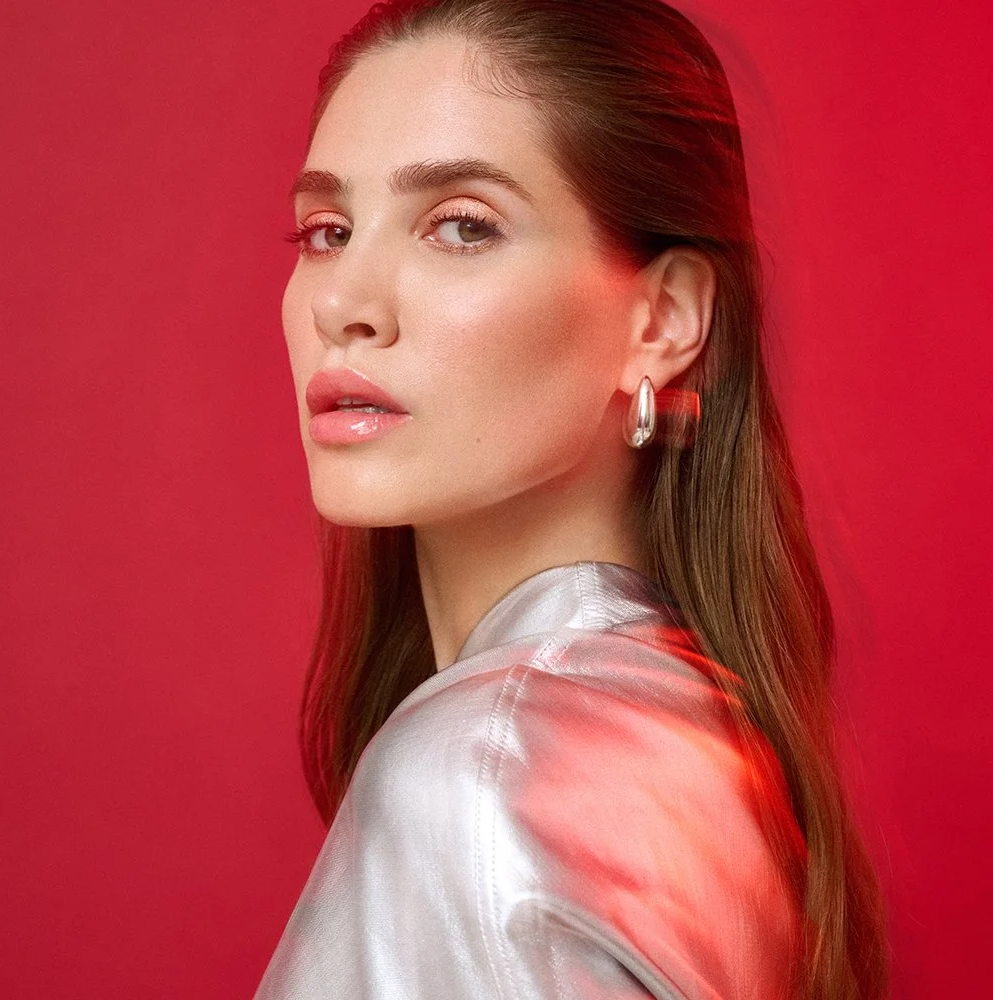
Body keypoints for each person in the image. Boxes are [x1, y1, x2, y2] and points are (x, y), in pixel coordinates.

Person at [255, 1, 888, 998]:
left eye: (462, 226)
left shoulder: (478, 775)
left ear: (664, 317)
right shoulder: (703, 742)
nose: (344, 302)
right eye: (326, 230)